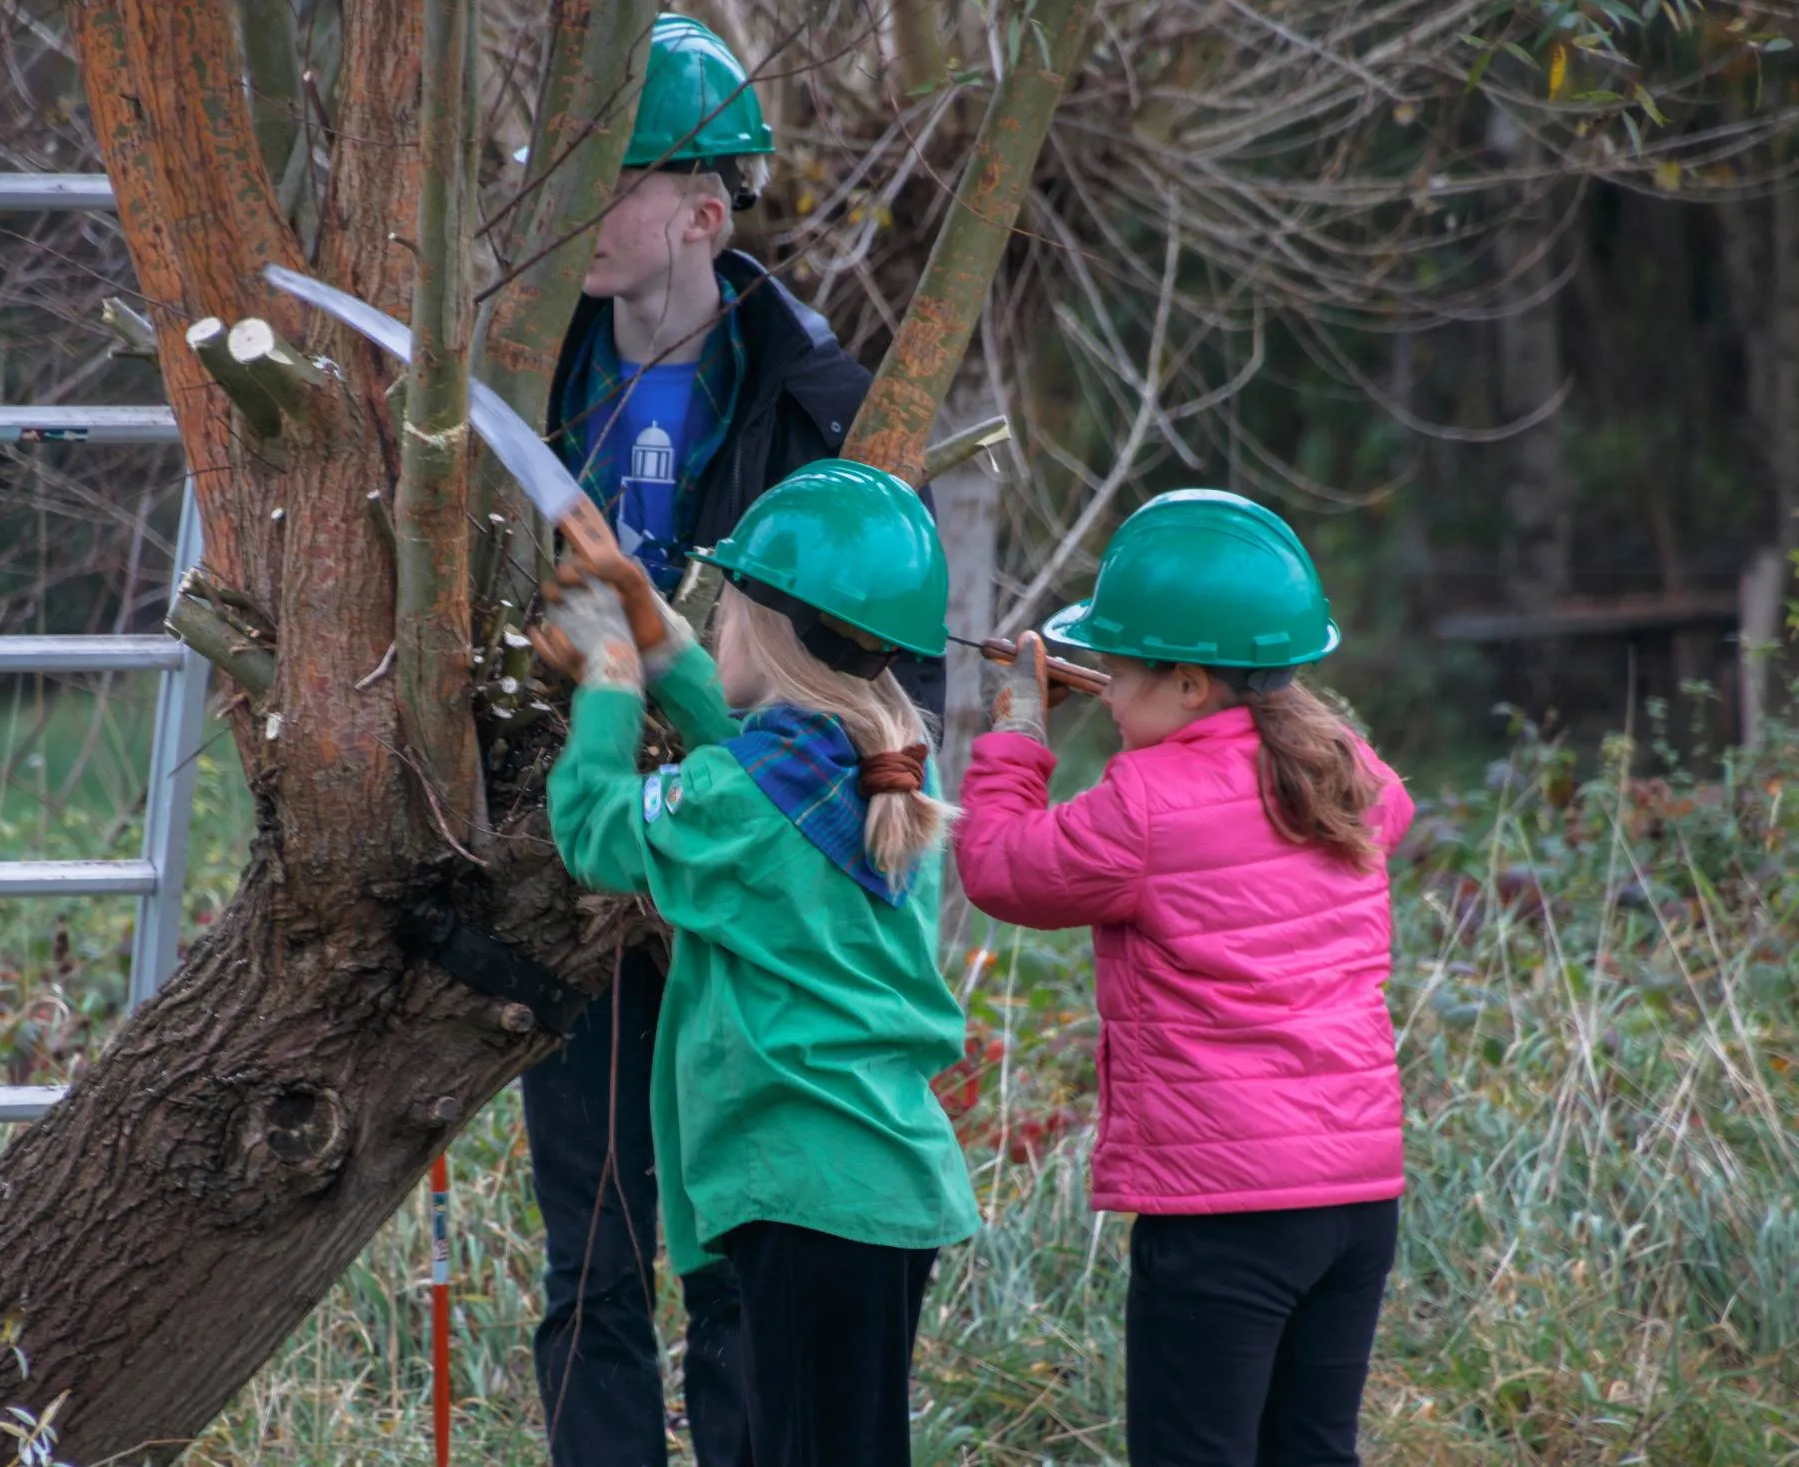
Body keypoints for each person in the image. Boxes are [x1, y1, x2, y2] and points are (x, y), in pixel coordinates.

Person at [521, 16, 944, 1465]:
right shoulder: (523, 370)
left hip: (733, 868)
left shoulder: (826, 405)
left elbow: (875, 673)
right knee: (590, 1254)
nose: (574, 212)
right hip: (576, 883)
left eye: (612, 181)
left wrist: (627, 674)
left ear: (704, 210)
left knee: (736, 1263)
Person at [952, 489, 1416, 1467]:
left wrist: (1020, 732)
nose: (1108, 696)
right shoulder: (1345, 771)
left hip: (1223, 1210)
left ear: (1193, 684)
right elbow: (1386, 806)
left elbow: (998, 867)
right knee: (1313, 1452)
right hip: (1355, 1197)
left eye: (1118, 674)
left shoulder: (1144, 804)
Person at [537, 460, 980, 1467]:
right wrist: (664, 645)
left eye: (725, 609)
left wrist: (612, 675)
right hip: (882, 1184)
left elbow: (594, 827)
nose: (718, 626)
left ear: (769, 630)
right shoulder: (888, 775)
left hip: (799, 1190)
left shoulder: (742, 799)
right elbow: (751, 769)